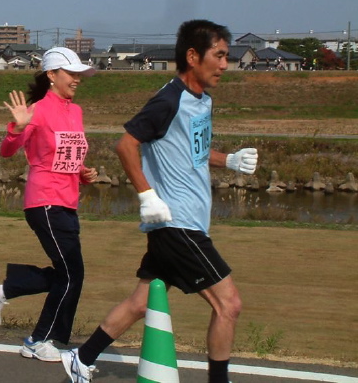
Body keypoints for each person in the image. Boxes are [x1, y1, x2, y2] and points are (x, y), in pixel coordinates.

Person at [61, 20, 258, 383]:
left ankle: (81, 358)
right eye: (219, 56)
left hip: (186, 222)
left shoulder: (202, 100)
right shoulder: (169, 99)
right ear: (193, 56)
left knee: (141, 302)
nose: (226, 65)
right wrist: (147, 195)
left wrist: (227, 159)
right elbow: (126, 144)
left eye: (227, 56)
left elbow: (192, 153)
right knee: (229, 304)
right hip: (175, 222)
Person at [0, 47, 98, 362]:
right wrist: (17, 128)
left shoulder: (76, 111)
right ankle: (37, 340)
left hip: (68, 202)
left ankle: (2, 292)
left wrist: (84, 174)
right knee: (73, 274)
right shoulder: (38, 111)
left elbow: (68, 157)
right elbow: (7, 151)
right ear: (52, 75)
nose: (77, 79)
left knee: (70, 274)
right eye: (71, 73)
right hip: (44, 201)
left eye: (79, 74)